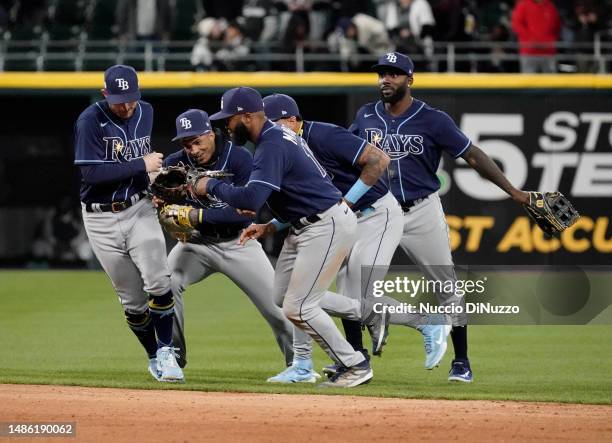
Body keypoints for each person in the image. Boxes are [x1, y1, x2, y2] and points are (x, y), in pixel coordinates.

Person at [349, 52, 531, 382]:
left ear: (410, 79)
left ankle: (461, 360)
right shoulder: (365, 116)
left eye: (394, 74)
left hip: (421, 211)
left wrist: (514, 192)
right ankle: (356, 357)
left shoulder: (432, 119)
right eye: (382, 74)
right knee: (356, 286)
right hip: (378, 212)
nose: (386, 79)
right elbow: (344, 156)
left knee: (447, 286)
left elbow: (473, 155)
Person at [189, 86, 385, 388]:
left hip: (325, 225)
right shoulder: (276, 137)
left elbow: (251, 199)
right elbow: (299, 189)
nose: (225, 125)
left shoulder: (272, 143)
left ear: (246, 116)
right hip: (303, 223)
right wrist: (271, 227)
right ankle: (368, 313)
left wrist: (209, 187)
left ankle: (355, 364)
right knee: (282, 296)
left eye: (229, 119)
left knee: (299, 306)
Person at [263, 94, 451, 382]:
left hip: (375, 214)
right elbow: (306, 199)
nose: (268, 130)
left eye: (272, 123)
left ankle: (428, 323)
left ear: (291, 120)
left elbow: (379, 161)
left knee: (361, 294)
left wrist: (346, 203)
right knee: (298, 289)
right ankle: (302, 364)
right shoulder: (284, 147)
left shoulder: (324, 135)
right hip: (336, 220)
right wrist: (274, 225)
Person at [158, 108, 294, 369]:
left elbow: (244, 214)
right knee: (164, 284)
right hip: (196, 245)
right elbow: (162, 202)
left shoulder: (239, 158)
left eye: (197, 141)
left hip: (238, 242)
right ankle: (173, 355)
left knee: (276, 308)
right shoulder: (176, 163)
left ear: (210, 134)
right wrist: (162, 209)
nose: (193, 149)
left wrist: (195, 216)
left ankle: (299, 364)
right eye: (187, 144)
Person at [73, 64, 183, 383]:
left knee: (159, 281)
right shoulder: (89, 121)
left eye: (132, 98)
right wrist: (141, 165)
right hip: (99, 218)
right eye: (120, 99)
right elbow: (91, 174)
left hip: (139, 209)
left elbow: (140, 166)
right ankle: (153, 356)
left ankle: (166, 351)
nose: (127, 105)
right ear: (105, 93)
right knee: (133, 302)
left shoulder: (145, 111)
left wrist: (150, 178)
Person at [511, 0, 561, 73]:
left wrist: (551, 41)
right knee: (528, 81)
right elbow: (517, 25)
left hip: (548, 51)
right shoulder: (523, 5)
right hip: (529, 52)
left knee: (550, 82)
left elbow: (557, 26)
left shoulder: (550, 6)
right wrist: (530, 40)